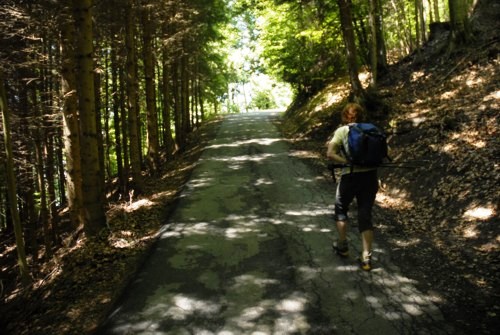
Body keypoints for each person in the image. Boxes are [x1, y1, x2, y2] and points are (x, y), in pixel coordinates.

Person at [326, 102, 379, 271]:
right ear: (362, 116)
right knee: (365, 214)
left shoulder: (342, 131)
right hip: (370, 177)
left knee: (341, 209)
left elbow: (330, 154)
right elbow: (387, 153)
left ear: (344, 116)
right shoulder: (373, 130)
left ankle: (342, 245)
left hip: (350, 176)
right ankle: (366, 258)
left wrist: (346, 161)